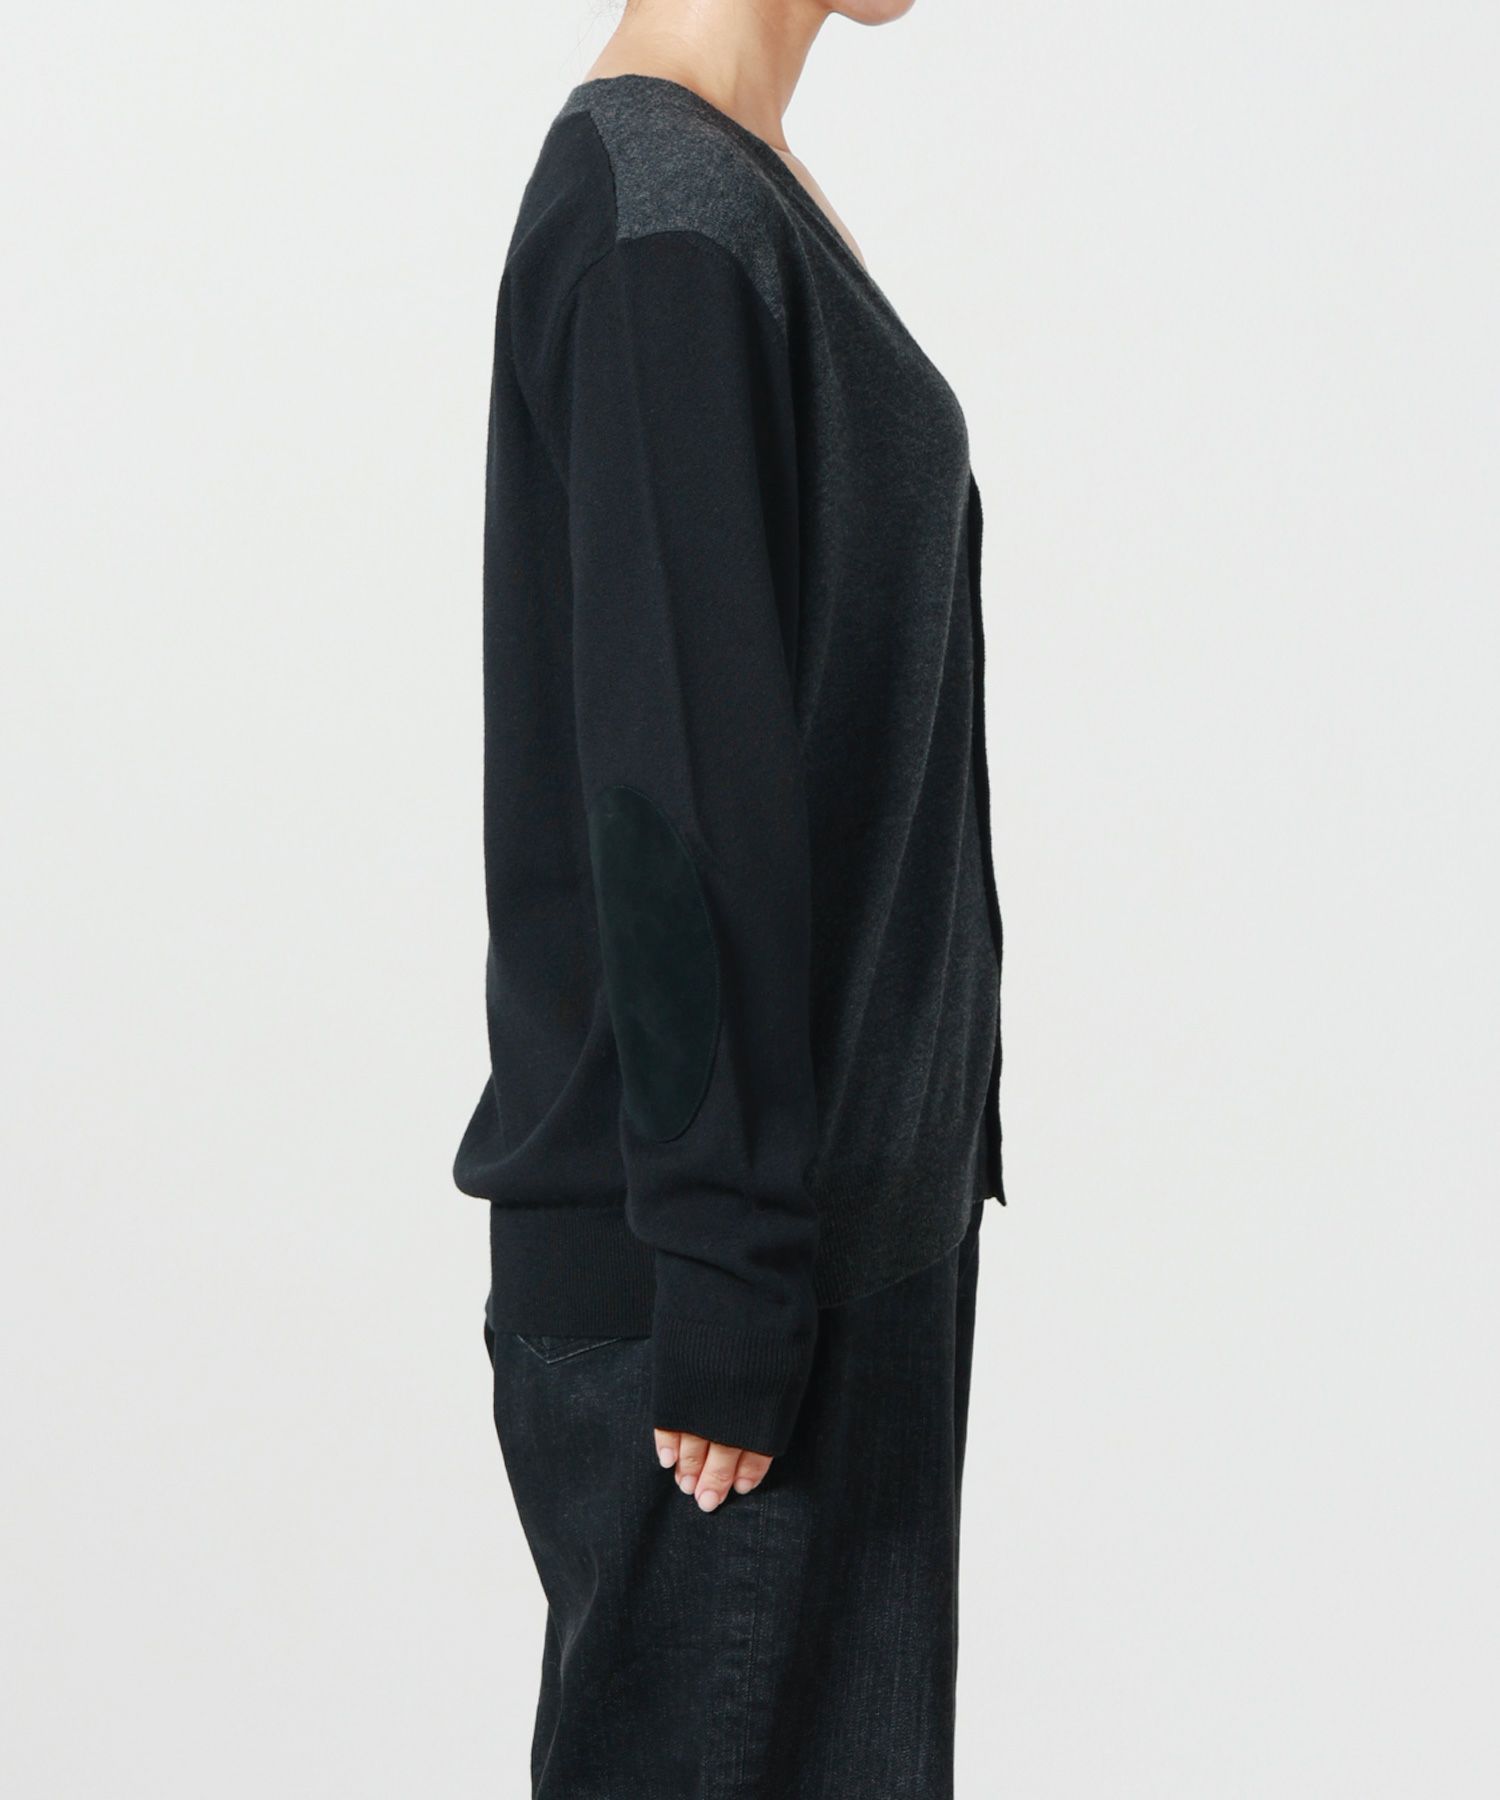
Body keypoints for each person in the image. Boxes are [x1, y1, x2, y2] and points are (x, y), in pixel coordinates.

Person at [452, 1, 1005, 1791]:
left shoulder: (734, 185)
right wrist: (730, 1275)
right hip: (723, 1282)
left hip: (839, 1242)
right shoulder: (664, 216)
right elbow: (671, 794)